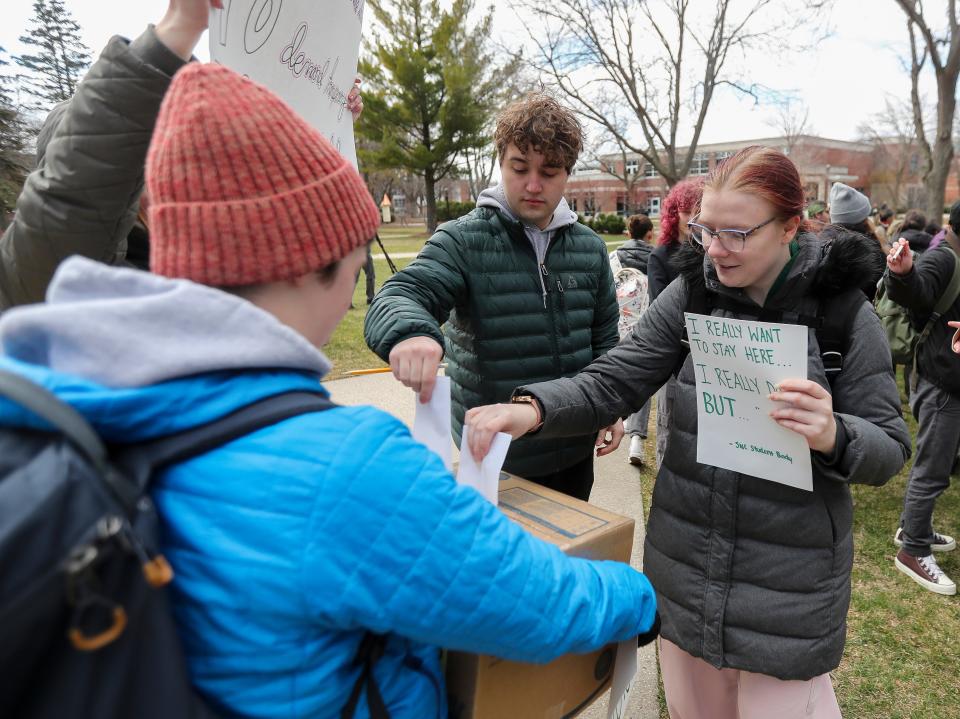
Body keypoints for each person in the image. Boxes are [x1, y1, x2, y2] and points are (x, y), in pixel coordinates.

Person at [0, 62, 659, 718]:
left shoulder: (75, 390)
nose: (357, 285)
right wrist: (636, 594)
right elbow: (522, 600)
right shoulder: (350, 466)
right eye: (355, 261)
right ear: (314, 262)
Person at [465, 146, 910, 718]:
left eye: (736, 234)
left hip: (786, 591)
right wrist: (532, 410)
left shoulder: (842, 314)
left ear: (790, 227)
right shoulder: (693, 294)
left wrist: (833, 433)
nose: (716, 250)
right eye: (706, 231)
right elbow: (615, 380)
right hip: (687, 568)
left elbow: (889, 446)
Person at [0, 0, 363, 311]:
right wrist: (179, 28)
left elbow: (321, 269)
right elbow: (74, 203)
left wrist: (329, 122)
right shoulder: (51, 275)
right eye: (153, 146)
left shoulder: (202, 261)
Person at [364, 94, 622, 501]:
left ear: (567, 174)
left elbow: (606, 339)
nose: (533, 185)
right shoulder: (463, 239)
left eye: (549, 172)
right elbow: (404, 292)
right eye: (520, 168)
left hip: (573, 444)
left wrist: (610, 407)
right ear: (501, 163)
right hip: (495, 456)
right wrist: (410, 333)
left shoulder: (589, 248)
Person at [886, 226, 960, 595]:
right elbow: (917, 294)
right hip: (941, 383)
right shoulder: (944, 258)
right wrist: (903, 274)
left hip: (949, 380)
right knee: (932, 470)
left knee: (938, 465)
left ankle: (913, 527)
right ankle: (913, 550)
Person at [647, 178, 703, 468]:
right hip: (675, 359)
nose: (694, 218)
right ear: (673, 213)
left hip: (707, 358)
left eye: (700, 210)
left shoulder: (711, 252)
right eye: (687, 211)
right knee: (669, 424)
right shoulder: (661, 256)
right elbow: (660, 310)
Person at [615, 213, 655, 465]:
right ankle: (636, 441)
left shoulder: (613, 257)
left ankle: (615, 420)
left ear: (628, 234)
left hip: (617, 326)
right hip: (646, 328)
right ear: (650, 234)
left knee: (616, 376)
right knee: (644, 381)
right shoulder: (657, 259)